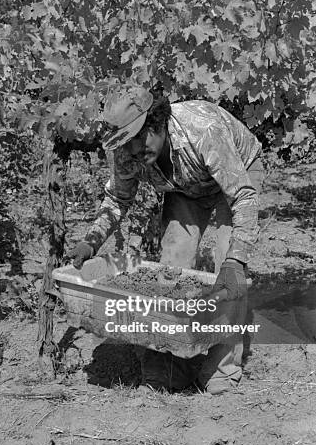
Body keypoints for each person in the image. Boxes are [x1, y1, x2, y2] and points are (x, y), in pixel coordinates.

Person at [68, 86, 264, 393]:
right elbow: (118, 199)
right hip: (186, 187)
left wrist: (237, 258)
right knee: (172, 265)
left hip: (237, 171)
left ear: (157, 123)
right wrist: (91, 241)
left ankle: (222, 369)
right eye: (126, 143)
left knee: (228, 267)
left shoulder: (203, 130)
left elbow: (243, 197)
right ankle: (172, 363)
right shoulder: (127, 150)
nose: (133, 150)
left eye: (138, 138)